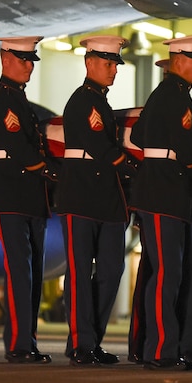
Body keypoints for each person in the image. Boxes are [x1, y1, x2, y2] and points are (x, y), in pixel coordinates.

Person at [128, 34, 192, 370]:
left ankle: (182, 346)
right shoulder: (175, 98)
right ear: (178, 60)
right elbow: (187, 151)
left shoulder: (167, 95)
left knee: (180, 274)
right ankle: (161, 349)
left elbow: (136, 136)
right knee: (168, 275)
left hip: (168, 191)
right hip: (166, 191)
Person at [56, 35, 137, 366]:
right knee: (79, 273)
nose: (113, 70)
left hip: (106, 198)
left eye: (115, 65)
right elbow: (102, 149)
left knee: (110, 271)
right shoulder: (83, 102)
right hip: (82, 195)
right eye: (107, 64)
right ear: (89, 63)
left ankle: (92, 340)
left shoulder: (100, 103)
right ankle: (81, 343)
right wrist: (136, 170)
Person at [0, 36, 58, 364]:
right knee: (20, 271)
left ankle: (27, 339)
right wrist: (57, 174)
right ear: (5, 58)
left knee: (34, 272)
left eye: (31, 61)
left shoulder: (22, 102)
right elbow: (20, 148)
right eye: (23, 59)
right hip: (10, 194)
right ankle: (18, 344)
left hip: (30, 197)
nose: (29, 66)